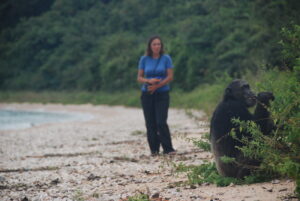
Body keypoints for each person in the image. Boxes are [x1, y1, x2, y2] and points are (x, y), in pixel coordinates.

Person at [137, 35, 176, 156]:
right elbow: (139, 77)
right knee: (150, 123)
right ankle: (154, 150)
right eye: (154, 44)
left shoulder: (166, 58)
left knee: (161, 121)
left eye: (159, 44)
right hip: (147, 94)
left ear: (161, 46)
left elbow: (170, 76)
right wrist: (148, 81)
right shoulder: (144, 59)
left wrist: (157, 86)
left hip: (162, 93)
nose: (157, 46)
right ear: (150, 46)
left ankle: (168, 149)